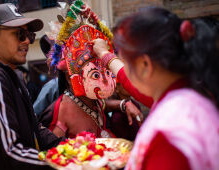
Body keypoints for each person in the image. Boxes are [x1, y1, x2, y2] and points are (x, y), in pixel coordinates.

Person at [92, 7, 219, 170]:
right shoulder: (194, 95)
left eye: (127, 63)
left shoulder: (167, 137)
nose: (121, 77)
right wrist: (104, 54)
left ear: (145, 65)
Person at [0, 3, 64, 170]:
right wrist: (70, 163)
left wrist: (71, 149)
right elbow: (10, 154)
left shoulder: (12, 75)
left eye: (29, 35)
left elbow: (36, 129)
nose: (27, 41)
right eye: (19, 34)